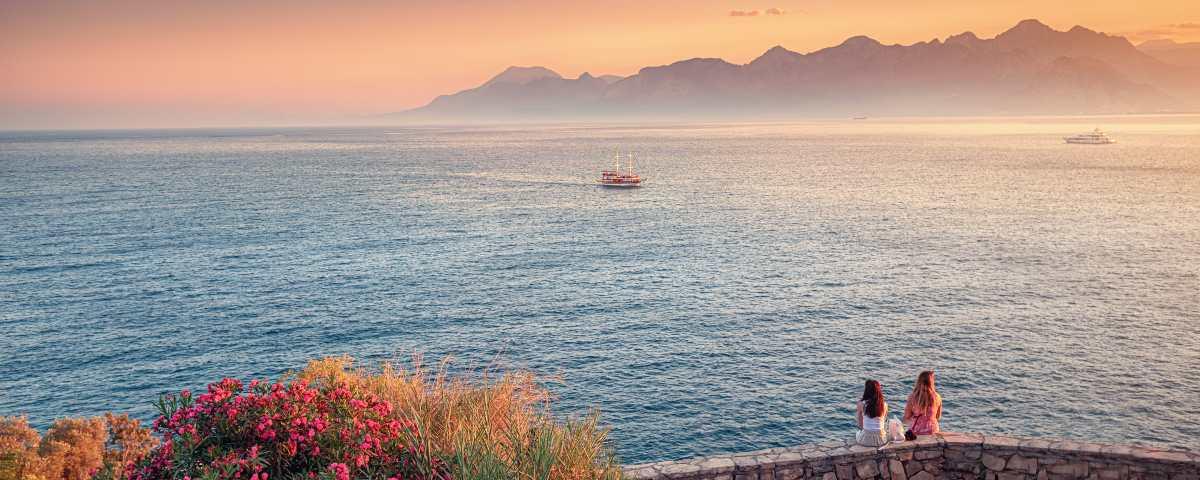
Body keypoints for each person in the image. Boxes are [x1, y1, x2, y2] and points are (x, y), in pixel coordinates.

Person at [903, 370, 942, 436]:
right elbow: (938, 417)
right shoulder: (937, 397)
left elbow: (906, 416)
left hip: (916, 431)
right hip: (933, 430)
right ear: (931, 382)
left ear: (919, 382)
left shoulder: (912, 397)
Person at [855, 379, 889, 446]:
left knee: (858, 433)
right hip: (881, 439)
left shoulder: (861, 404)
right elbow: (883, 421)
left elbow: (860, 424)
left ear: (866, 390)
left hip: (866, 440)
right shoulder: (884, 405)